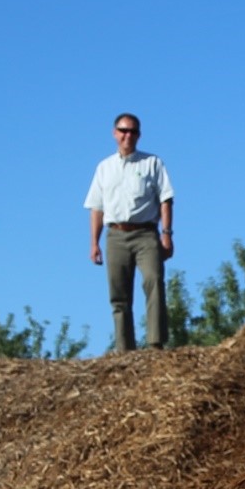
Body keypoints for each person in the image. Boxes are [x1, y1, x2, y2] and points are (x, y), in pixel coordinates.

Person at [85, 114, 175, 351]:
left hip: (146, 234)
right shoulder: (104, 168)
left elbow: (166, 199)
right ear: (115, 133)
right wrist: (94, 243)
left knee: (153, 280)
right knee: (119, 295)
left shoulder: (152, 163)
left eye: (133, 131)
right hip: (115, 235)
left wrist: (167, 234)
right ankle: (125, 350)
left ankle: (155, 343)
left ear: (139, 135)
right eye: (123, 130)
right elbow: (96, 207)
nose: (128, 135)